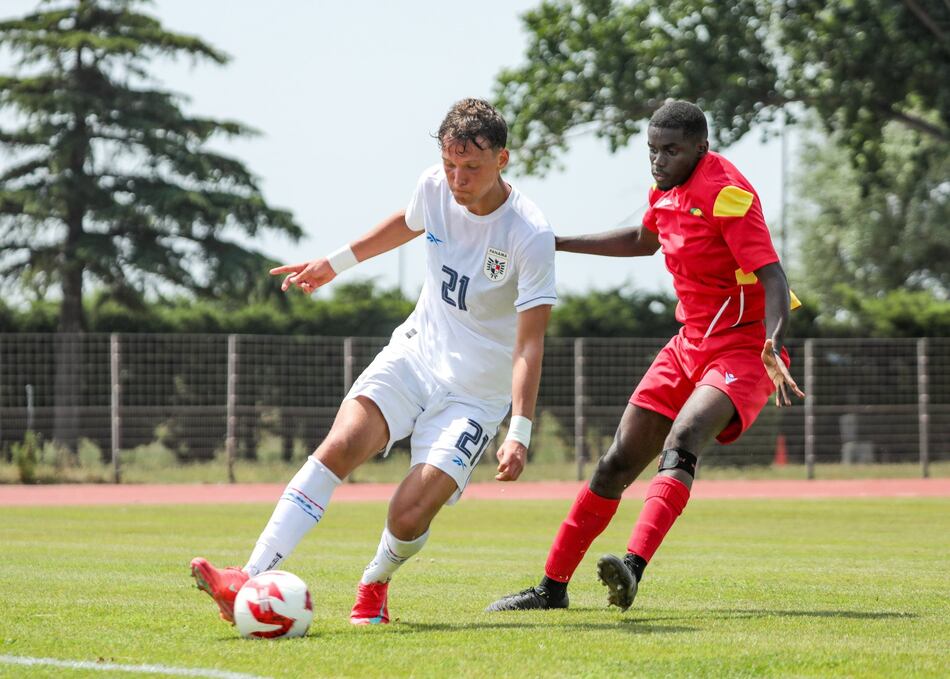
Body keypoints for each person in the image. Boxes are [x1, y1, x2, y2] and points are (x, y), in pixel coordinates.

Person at [191, 98, 557, 625]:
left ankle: (376, 580)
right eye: (451, 163)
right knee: (339, 445)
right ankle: (244, 580)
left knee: (408, 513)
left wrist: (518, 429)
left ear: (502, 159)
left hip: (476, 396)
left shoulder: (530, 234)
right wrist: (334, 264)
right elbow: (407, 223)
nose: (457, 178)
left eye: (471, 167)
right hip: (415, 354)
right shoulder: (433, 185)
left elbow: (530, 343)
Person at [487, 99, 804, 613]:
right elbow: (642, 239)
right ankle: (551, 589)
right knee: (616, 462)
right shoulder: (665, 188)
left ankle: (631, 568)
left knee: (683, 438)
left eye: (671, 150)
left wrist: (772, 341)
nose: (658, 160)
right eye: (652, 150)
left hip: (745, 348)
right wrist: (557, 242)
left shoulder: (728, 193)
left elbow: (773, 276)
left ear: (701, 147)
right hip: (688, 345)